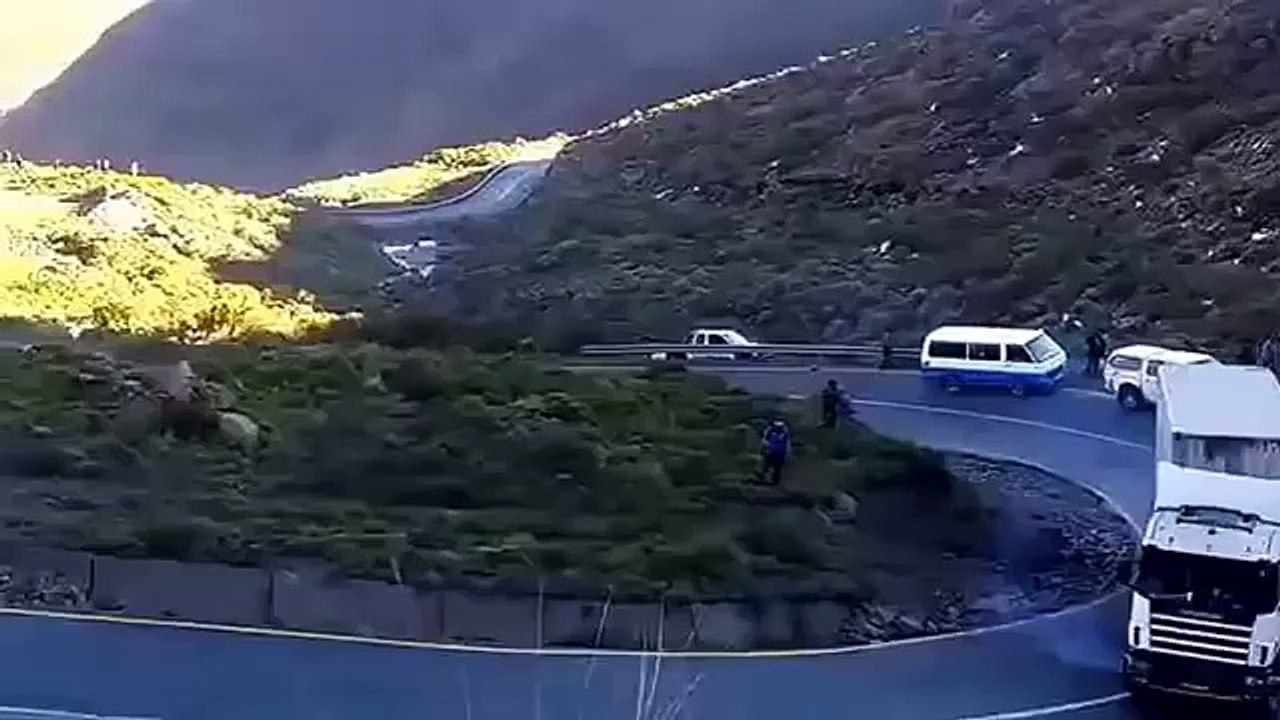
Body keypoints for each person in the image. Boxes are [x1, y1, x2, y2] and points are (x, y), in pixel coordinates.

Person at [760, 418, 791, 485]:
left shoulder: (784, 431)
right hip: (770, 451)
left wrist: (787, 452)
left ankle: (776, 480)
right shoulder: (770, 430)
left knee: (778, 468)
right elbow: (764, 440)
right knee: (767, 466)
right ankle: (764, 478)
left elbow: (787, 442)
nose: (778, 428)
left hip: (780, 452)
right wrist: (765, 448)